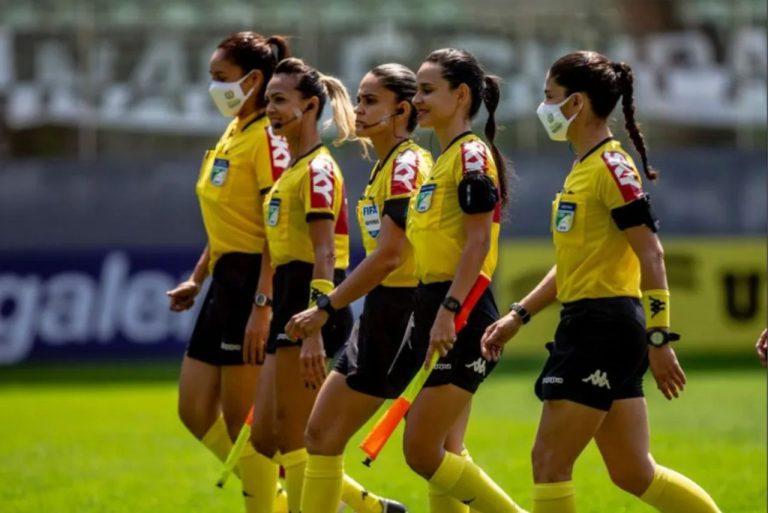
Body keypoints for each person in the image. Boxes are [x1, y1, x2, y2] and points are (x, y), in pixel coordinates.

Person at [481, 51, 722, 513]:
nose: (543, 106)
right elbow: (572, 263)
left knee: (549, 461)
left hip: (602, 326)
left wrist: (659, 336)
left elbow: (651, 252)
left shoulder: (613, 167)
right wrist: (519, 315)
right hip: (594, 322)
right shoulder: (583, 167)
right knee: (633, 471)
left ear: (576, 103)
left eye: (548, 96)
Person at [283, 63, 455, 513]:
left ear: (401, 110)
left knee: (331, 439)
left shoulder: (407, 165)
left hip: (405, 312)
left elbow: (391, 255)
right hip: (384, 309)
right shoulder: (385, 167)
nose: (357, 110)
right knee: (319, 437)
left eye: (369, 101)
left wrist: (326, 306)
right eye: (359, 99)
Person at [245, 56, 404, 513]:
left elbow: (324, 253)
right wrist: (263, 304)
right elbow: (274, 252)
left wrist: (316, 325)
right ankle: (372, 508)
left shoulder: (317, 170)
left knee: (296, 438)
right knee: (266, 436)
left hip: (313, 309)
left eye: (279, 100)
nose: (270, 109)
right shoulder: (288, 172)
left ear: (310, 105)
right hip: (289, 310)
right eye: (268, 100)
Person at [166, 31, 290, 513]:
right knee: (194, 411)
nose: (213, 88)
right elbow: (226, 223)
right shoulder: (233, 130)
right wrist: (199, 278)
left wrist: (264, 304)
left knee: (246, 428)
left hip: (255, 286)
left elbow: (273, 231)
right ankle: (316, 498)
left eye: (222, 78)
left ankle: (323, 502)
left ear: (253, 79)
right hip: (223, 281)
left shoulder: (268, 139)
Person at [401, 48, 527, 513]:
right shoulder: (444, 158)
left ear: (461, 95)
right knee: (447, 453)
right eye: (416, 89)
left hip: (462, 314)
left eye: (427, 90)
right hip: (440, 308)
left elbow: (478, 246)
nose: (417, 99)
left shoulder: (471, 156)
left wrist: (449, 312)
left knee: (420, 449)